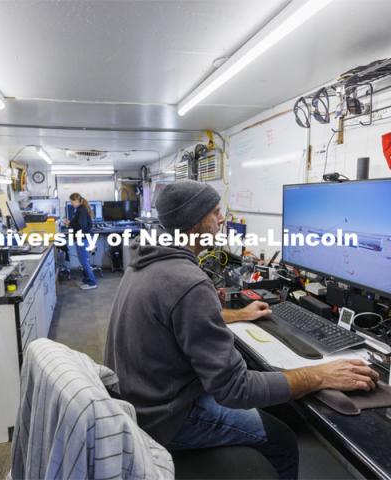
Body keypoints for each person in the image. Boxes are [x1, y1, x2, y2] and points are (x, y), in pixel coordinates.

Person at [104, 180, 378, 479]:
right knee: (282, 440)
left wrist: (238, 315)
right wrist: (320, 375)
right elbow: (235, 389)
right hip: (167, 418)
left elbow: (177, 320)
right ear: (195, 224)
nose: (222, 219)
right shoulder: (187, 281)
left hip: (141, 402)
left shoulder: (148, 261)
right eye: (216, 212)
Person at [65, 193, 97, 290]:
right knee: (84, 260)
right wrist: (70, 224)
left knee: (84, 261)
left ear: (76, 201)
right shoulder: (80, 209)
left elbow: (81, 225)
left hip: (82, 238)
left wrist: (69, 224)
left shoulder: (81, 210)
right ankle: (87, 280)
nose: (71, 203)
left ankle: (92, 282)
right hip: (82, 238)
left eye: (71, 201)